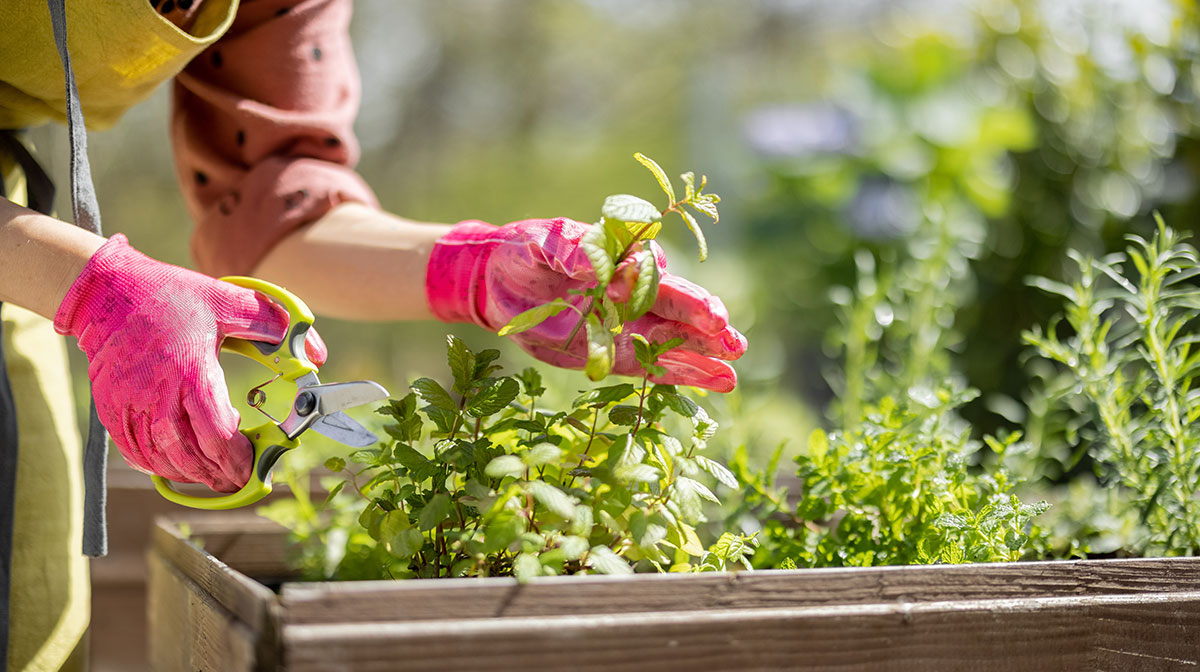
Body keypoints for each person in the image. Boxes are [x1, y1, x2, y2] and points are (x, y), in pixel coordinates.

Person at [0, 0, 746, 669]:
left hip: (24, 265)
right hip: (39, 263)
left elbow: (273, 203)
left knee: (34, 610)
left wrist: (475, 271)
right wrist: (87, 285)